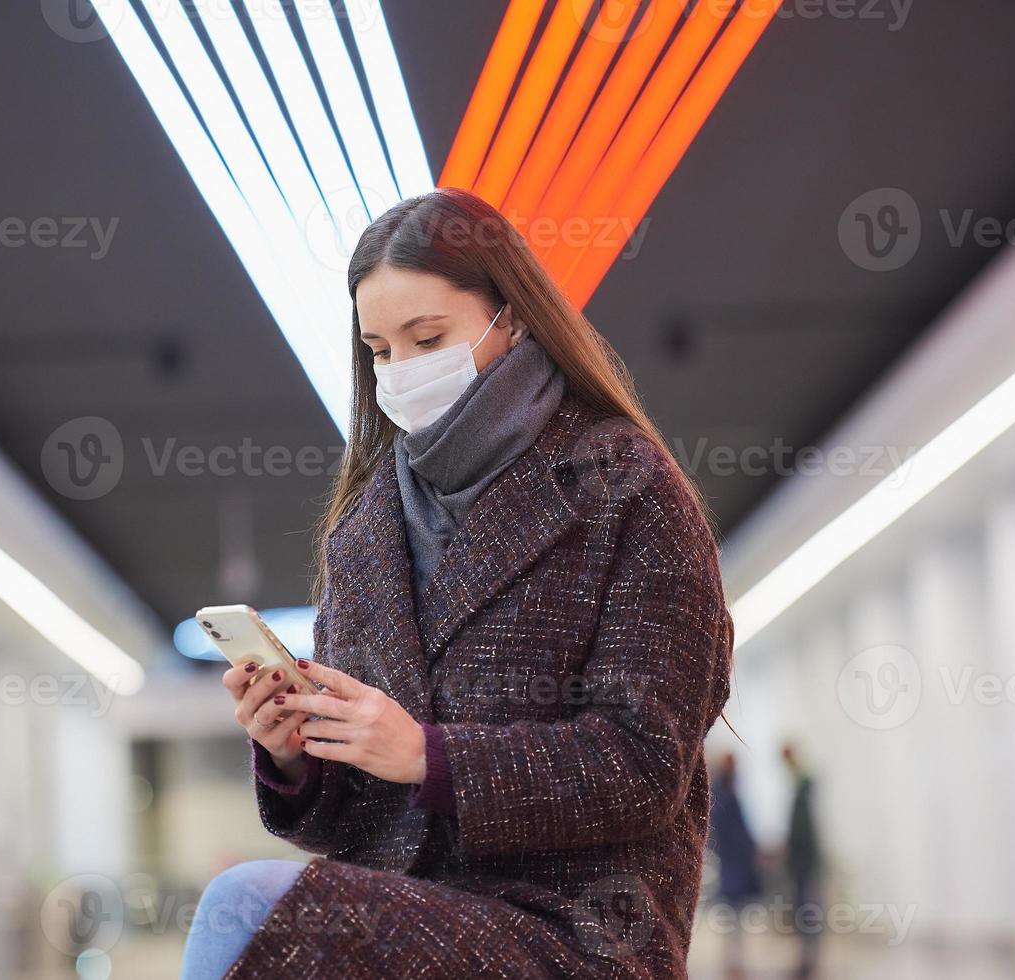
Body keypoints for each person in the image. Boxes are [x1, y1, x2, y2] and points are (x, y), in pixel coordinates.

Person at [183, 187, 735, 979]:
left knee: (243, 905)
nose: (401, 371)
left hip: (574, 930)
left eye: (428, 336)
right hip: (401, 909)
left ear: (510, 317)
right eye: (379, 350)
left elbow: (643, 765)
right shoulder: (365, 528)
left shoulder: (624, 487)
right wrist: (297, 755)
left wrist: (430, 756)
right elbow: (349, 817)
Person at [707, 752, 760, 979]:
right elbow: (726, 831)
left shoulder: (728, 792)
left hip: (736, 862)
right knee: (732, 915)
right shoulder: (723, 795)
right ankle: (732, 960)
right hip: (732, 863)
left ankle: (735, 959)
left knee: (735, 914)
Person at [781, 743, 823, 979]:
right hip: (801, 864)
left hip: (804, 863)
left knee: (808, 910)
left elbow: (802, 833)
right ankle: (806, 958)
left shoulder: (802, 791)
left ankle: (809, 959)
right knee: (805, 910)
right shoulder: (799, 791)